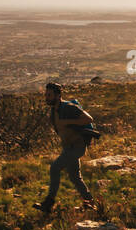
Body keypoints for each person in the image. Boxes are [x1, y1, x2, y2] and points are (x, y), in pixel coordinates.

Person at [34, 83, 102, 214]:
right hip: (68, 147)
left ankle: (48, 203)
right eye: (46, 95)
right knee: (75, 177)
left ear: (58, 96)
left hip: (77, 147)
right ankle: (91, 204)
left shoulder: (69, 107)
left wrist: (69, 122)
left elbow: (89, 119)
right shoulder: (53, 111)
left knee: (55, 167)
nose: (46, 98)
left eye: (49, 95)